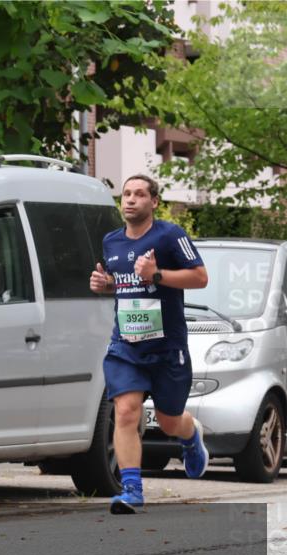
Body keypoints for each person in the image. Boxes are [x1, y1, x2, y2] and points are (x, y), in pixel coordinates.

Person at [89, 174, 210, 514]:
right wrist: (106, 284)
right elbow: (126, 285)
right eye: (126, 194)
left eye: (139, 194)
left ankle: (190, 436)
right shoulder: (111, 241)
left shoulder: (170, 236)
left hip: (167, 348)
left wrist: (157, 275)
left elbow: (200, 277)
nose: (130, 200)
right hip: (126, 346)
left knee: (169, 421)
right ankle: (132, 489)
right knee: (125, 412)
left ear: (153, 202)